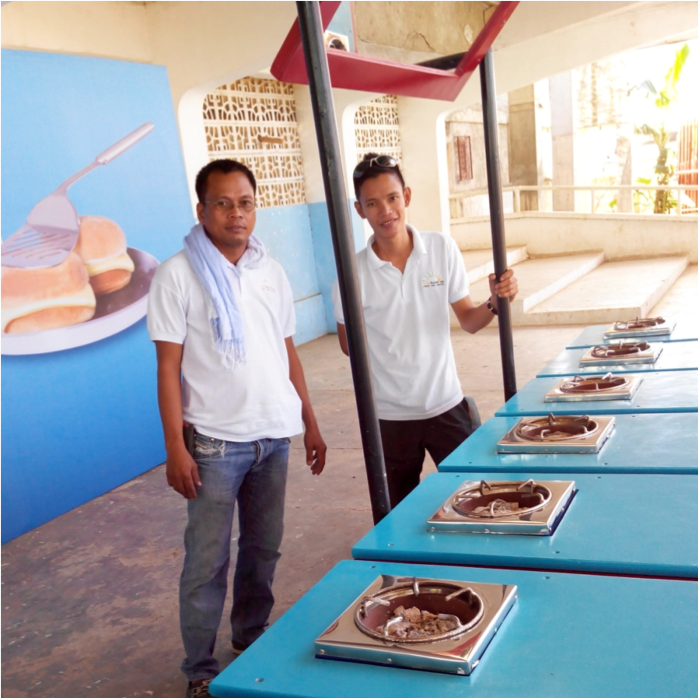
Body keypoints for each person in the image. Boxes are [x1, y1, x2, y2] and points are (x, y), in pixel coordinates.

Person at [147, 159, 326, 698]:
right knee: (207, 560)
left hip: (273, 436)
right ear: (201, 210)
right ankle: (200, 671)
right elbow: (166, 368)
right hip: (214, 443)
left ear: (255, 207)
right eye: (222, 203)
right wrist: (175, 448)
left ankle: (251, 637)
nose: (235, 213)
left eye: (244, 202)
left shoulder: (269, 270)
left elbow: (287, 352)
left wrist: (309, 423)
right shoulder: (177, 274)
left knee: (263, 548)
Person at [332, 153, 517, 507]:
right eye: (372, 203)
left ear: (407, 197)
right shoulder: (351, 272)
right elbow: (347, 344)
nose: (385, 211)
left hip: (446, 404)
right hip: (390, 417)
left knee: (480, 499)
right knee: (398, 513)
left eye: (392, 198)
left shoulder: (440, 248)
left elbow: (468, 319)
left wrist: (494, 301)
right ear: (359, 210)